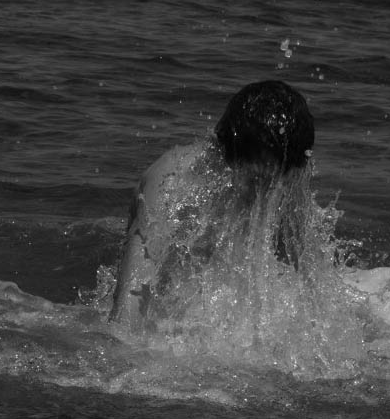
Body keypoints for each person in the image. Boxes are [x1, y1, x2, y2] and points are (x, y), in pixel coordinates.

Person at [109, 81, 315, 332]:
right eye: (256, 180)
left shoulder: (287, 178)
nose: (265, 192)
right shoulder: (171, 183)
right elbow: (127, 310)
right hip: (166, 320)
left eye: (276, 181)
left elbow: (300, 279)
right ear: (222, 152)